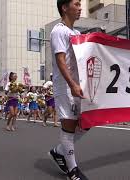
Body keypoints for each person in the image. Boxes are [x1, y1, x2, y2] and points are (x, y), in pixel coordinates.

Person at [48, 0, 89, 179]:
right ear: (65, 7)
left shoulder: (77, 33)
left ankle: (59, 151)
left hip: (77, 85)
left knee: (87, 122)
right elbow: (61, 60)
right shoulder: (59, 30)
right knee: (69, 127)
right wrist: (72, 84)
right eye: (77, 4)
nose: (80, 8)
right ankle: (73, 171)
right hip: (65, 86)